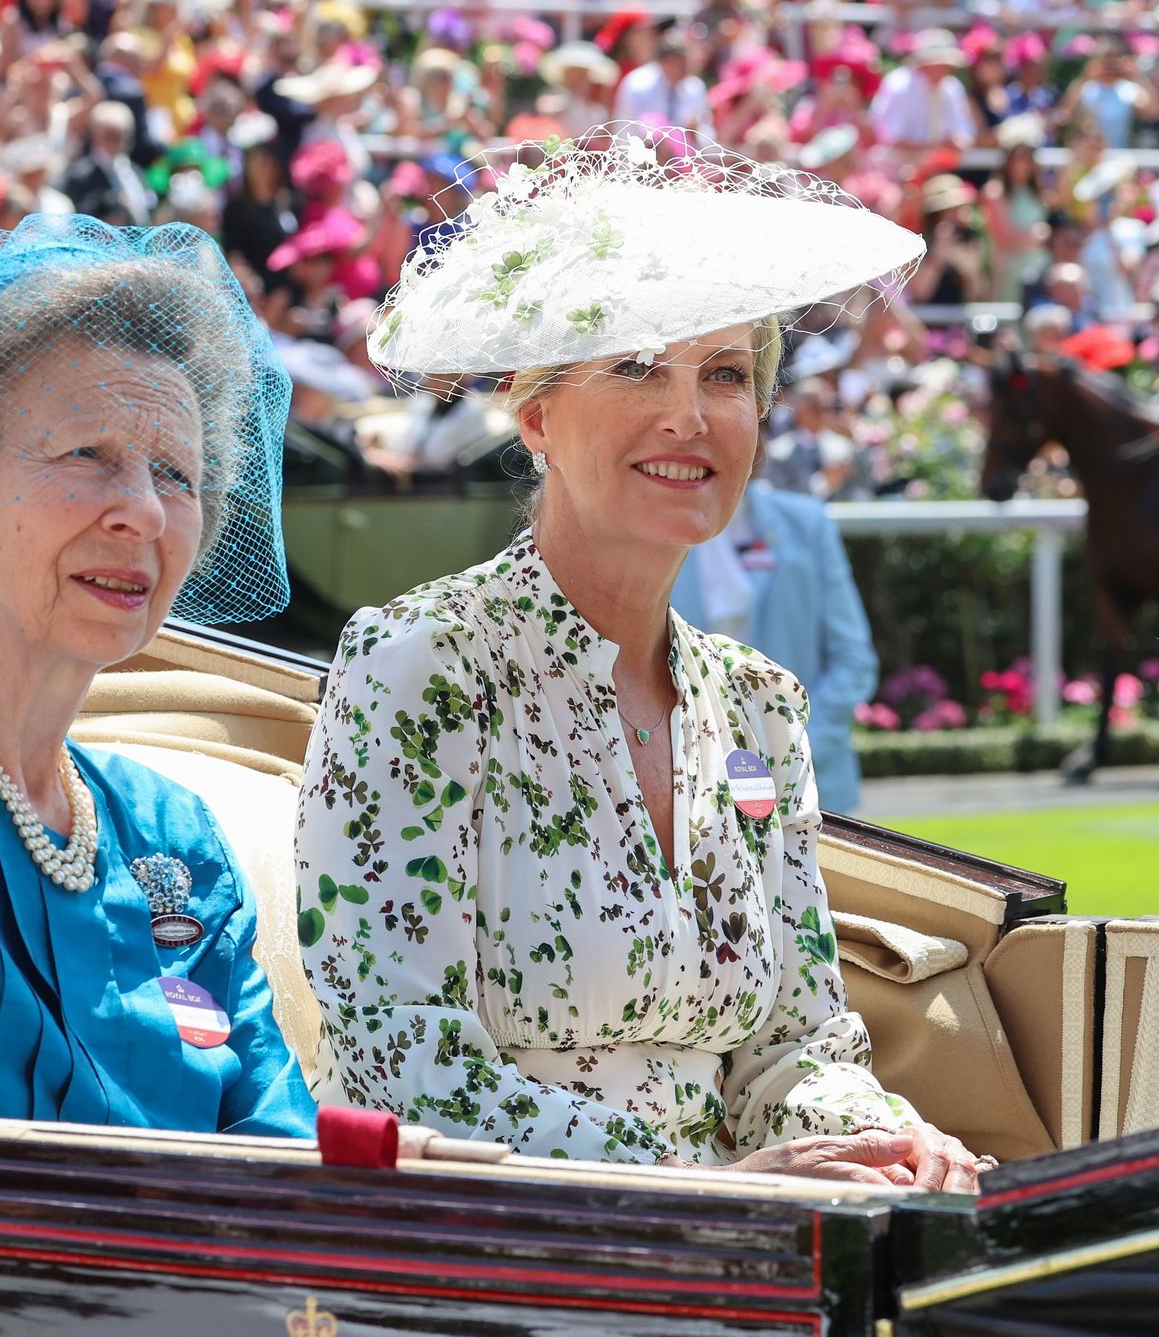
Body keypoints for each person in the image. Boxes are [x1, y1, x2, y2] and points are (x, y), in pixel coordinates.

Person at [299, 127, 986, 1191]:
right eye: (634, 365)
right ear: (533, 414)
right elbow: (399, 1064)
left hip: (745, 1233)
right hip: (511, 1254)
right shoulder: (420, 667)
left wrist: (873, 1135)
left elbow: (795, 1043)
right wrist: (703, 1179)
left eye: (723, 372)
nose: (689, 414)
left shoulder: (760, 706)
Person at [0, 214, 310, 1134]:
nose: (141, 510)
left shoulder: (177, 842)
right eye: (86, 454)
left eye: (176, 473)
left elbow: (281, 1151)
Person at [671, 479, 878, 815]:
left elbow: (853, 659)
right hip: (691, 791)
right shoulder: (648, 525)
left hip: (811, 787)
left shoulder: (807, 523)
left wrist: (792, 747)